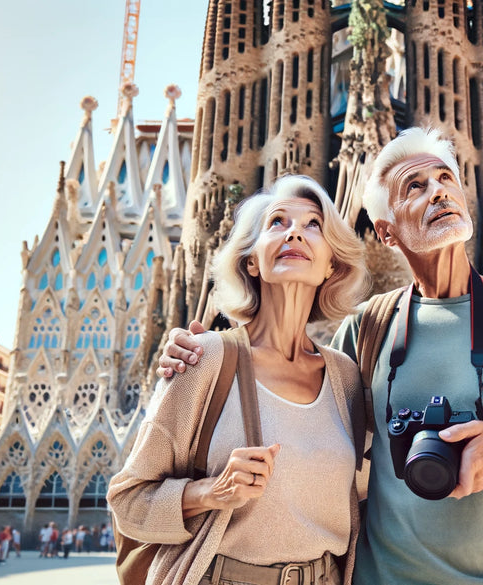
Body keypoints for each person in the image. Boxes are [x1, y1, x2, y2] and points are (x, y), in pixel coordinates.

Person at [157, 127, 483, 584]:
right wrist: (214, 354)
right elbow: (295, 407)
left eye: (447, 180)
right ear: (385, 231)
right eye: (416, 187)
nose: (439, 193)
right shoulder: (368, 329)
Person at [108, 174, 370, 585]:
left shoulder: (346, 378)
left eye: (313, 225)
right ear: (252, 260)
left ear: (330, 265)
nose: (295, 233)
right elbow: (127, 501)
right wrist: (211, 492)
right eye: (277, 222)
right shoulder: (204, 359)